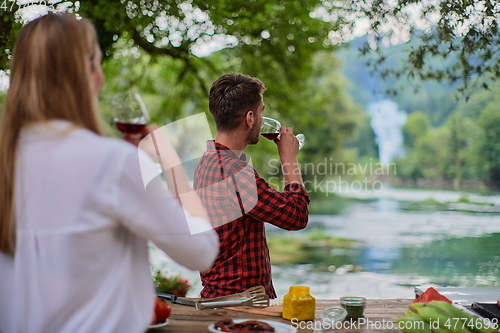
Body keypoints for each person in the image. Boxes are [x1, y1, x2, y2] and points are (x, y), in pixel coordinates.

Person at [0, 13, 218, 333]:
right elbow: (202, 252)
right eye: (98, 63)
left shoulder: (9, 159)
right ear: (86, 72)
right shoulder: (113, 163)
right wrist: (169, 162)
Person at [193, 73, 310, 299]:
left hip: (218, 299)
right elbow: (297, 215)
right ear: (250, 118)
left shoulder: (208, 161)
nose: (261, 118)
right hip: (240, 306)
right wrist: (289, 159)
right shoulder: (235, 172)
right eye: (261, 112)